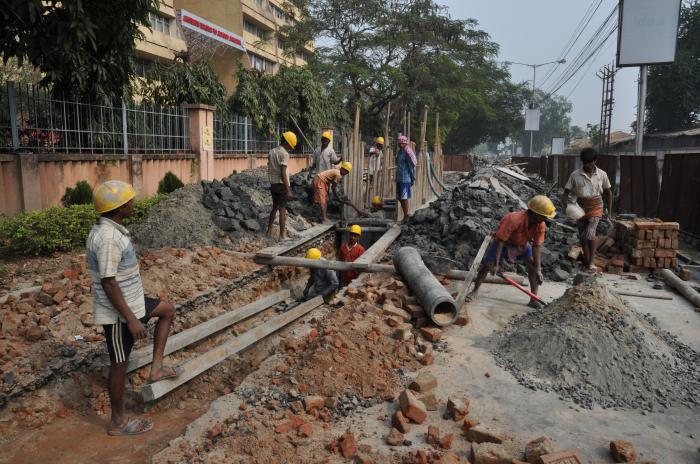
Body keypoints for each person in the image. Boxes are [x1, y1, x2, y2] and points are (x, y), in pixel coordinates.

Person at [87, 180, 179, 436]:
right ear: (119, 207)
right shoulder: (106, 238)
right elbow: (108, 282)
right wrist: (131, 320)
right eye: (129, 201)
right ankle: (117, 421)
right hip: (119, 314)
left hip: (134, 303)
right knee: (119, 364)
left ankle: (157, 367)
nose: (133, 203)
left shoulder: (114, 230)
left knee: (167, 310)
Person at [468, 195, 556, 309]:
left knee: (533, 267)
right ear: (535, 214)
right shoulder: (513, 219)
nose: (546, 219)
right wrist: (496, 264)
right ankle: (475, 291)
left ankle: (533, 299)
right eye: (543, 216)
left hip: (522, 244)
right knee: (487, 265)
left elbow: (537, 246)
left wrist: (539, 269)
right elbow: (500, 241)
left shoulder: (540, 224)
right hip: (503, 243)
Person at [560, 148, 613, 271]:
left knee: (590, 233)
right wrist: (566, 206)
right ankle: (586, 261)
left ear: (595, 161)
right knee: (583, 236)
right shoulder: (575, 175)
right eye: (585, 163)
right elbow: (565, 194)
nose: (587, 166)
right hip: (580, 208)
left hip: (596, 207)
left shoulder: (602, 174)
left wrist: (609, 212)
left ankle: (591, 262)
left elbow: (608, 192)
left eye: (589, 163)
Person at [267, 131, 296, 240]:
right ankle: (282, 236)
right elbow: (283, 172)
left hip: (273, 184)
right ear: (287, 143)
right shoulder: (284, 154)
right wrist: (288, 189)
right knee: (282, 210)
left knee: (274, 208)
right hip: (281, 185)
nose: (290, 148)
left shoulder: (272, 151)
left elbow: (269, 167)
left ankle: (268, 230)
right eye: (290, 146)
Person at [396, 135, 417, 221]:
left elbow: (413, 163)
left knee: (404, 198)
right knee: (400, 198)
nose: (400, 145)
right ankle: (405, 214)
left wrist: (412, 176)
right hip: (399, 178)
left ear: (405, 144)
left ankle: (406, 215)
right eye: (399, 143)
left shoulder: (407, 152)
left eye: (402, 143)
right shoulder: (400, 152)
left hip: (405, 178)